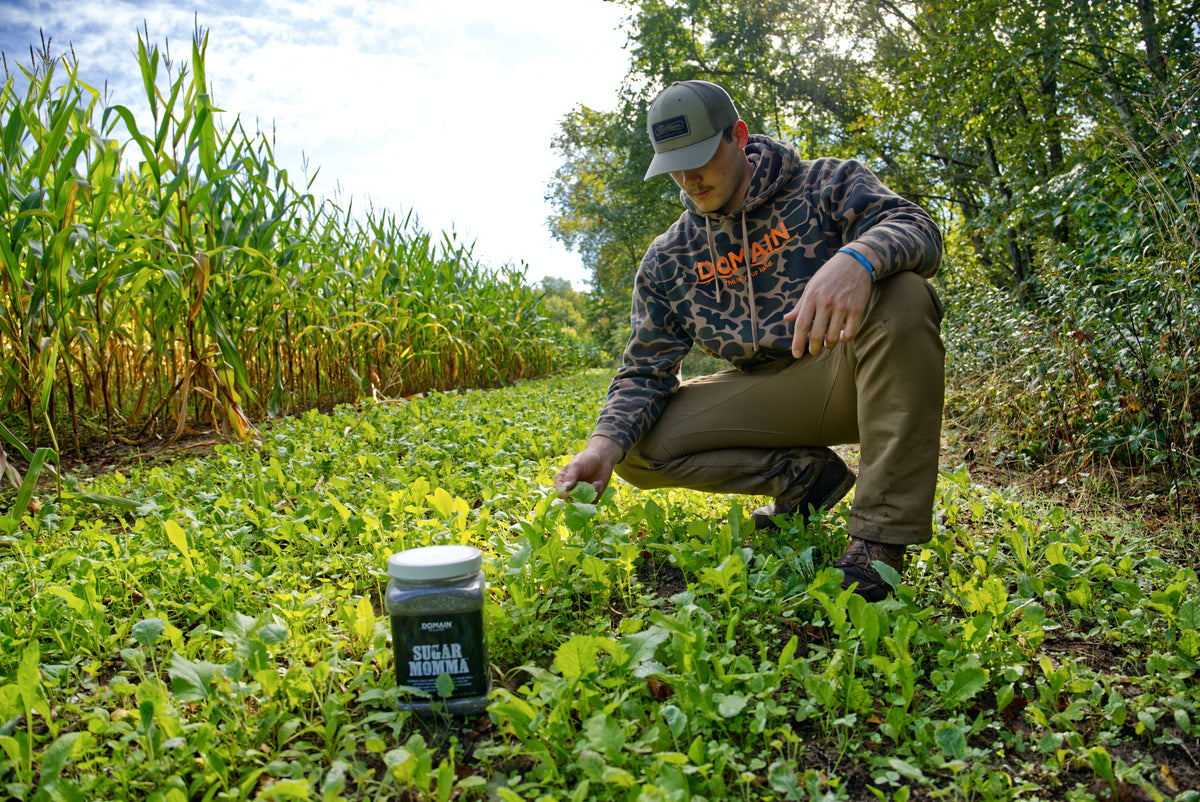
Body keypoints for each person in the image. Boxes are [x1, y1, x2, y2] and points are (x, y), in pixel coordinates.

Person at [554, 80, 944, 602]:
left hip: (851, 374)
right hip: (765, 394)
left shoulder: (825, 182)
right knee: (633, 447)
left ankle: (877, 543)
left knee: (905, 294)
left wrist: (858, 260)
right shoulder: (669, 257)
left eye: (699, 157)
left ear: (737, 136)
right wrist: (601, 446)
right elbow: (645, 369)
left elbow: (916, 225)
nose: (688, 178)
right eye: (674, 164)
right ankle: (805, 479)